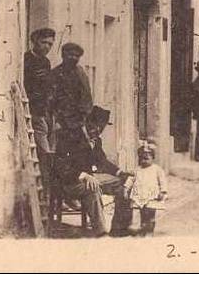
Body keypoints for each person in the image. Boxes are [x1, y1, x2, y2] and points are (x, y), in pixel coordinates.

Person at [52, 106, 133, 237]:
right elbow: (60, 165)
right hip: (69, 182)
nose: (99, 131)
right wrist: (83, 175)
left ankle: (119, 228)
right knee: (92, 186)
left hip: (90, 177)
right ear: (88, 123)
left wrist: (120, 173)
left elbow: (102, 162)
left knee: (123, 184)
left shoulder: (96, 140)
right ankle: (100, 232)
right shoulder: (71, 136)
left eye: (101, 128)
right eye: (96, 127)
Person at [23, 28, 56, 182]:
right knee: (45, 151)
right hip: (32, 111)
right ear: (35, 40)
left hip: (44, 111)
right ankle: (49, 182)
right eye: (44, 42)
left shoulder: (46, 62)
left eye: (50, 44)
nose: (47, 47)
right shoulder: (26, 59)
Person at [50, 42, 92, 141]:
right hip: (61, 120)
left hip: (78, 120)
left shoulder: (80, 73)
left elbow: (86, 95)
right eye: (70, 55)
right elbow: (51, 98)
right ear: (63, 55)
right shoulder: (55, 73)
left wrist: (85, 117)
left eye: (76, 56)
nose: (73, 58)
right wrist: (56, 119)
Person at [123, 143, 168, 236]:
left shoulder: (157, 169)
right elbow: (130, 180)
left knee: (150, 214)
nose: (144, 160)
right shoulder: (137, 170)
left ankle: (149, 231)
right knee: (141, 214)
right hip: (139, 196)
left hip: (152, 196)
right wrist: (126, 189)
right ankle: (142, 229)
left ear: (153, 158)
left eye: (147, 158)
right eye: (142, 158)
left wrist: (163, 191)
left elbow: (162, 181)